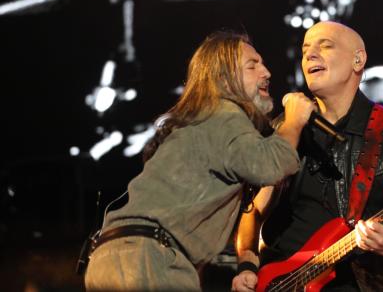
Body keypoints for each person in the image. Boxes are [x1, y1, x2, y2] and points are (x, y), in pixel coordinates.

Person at [83, 31, 316, 291]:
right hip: (151, 261)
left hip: (114, 258)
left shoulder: (198, 123)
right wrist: (294, 120)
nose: (267, 72)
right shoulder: (224, 113)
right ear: (224, 80)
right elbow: (270, 165)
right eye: (253, 65)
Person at [232, 21, 383, 291]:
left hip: (358, 283)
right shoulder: (284, 128)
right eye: (305, 50)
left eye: (325, 46)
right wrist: (246, 266)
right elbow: (253, 211)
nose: (310, 55)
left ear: (358, 60)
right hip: (280, 280)